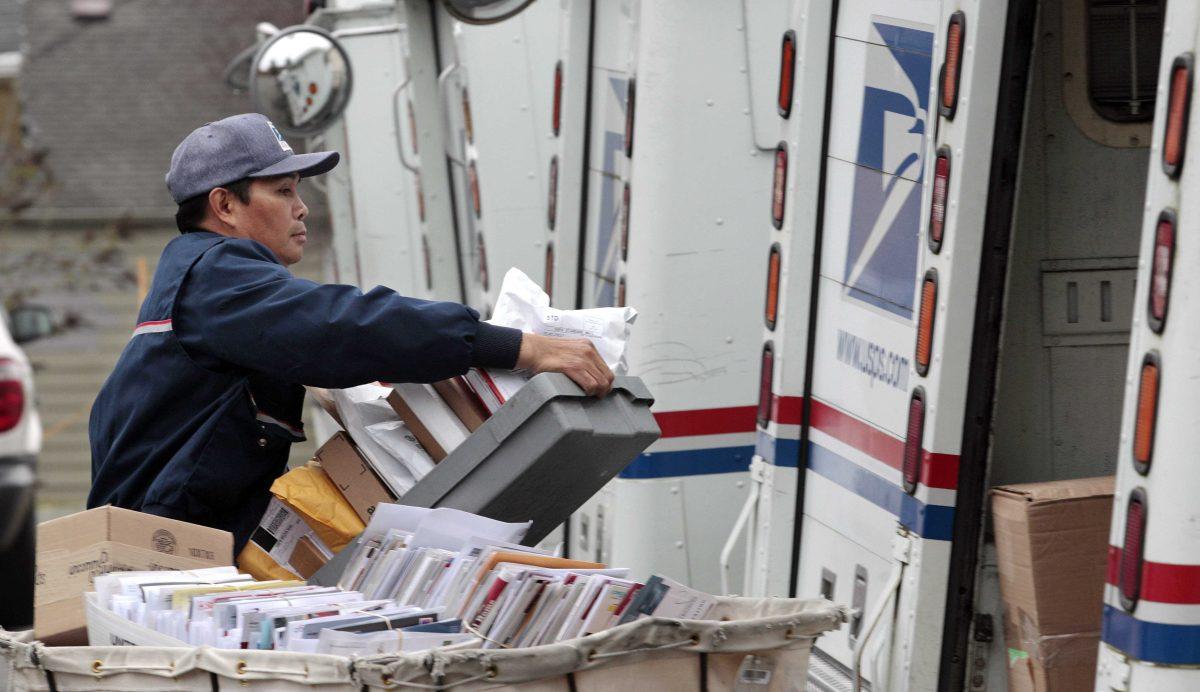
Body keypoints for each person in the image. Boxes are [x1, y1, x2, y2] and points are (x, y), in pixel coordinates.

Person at [88, 113, 612, 551]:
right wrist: (519, 348)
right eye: (284, 190)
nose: (302, 207)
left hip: (155, 544)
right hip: (160, 557)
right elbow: (349, 326)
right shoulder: (217, 276)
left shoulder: (196, 283)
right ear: (224, 205)